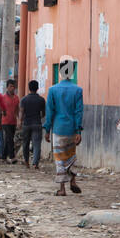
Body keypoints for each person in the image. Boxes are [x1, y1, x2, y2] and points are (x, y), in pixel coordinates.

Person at [43, 63, 85, 196]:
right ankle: (73, 180)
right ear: (71, 73)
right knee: (70, 156)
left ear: (60, 72)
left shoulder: (53, 90)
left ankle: (62, 188)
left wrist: (47, 129)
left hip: (58, 128)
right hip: (72, 128)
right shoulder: (78, 90)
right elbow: (79, 111)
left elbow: (50, 112)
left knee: (60, 158)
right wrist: (78, 131)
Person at [18, 80, 46, 169]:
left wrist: (20, 122)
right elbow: (43, 113)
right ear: (37, 88)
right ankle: (35, 163)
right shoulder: (41, 100)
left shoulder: (24, 100)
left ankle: (26, 162)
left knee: (25, 143)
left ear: (29, 88)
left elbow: (21, 113)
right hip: (37, 123)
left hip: (26, 124)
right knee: (37, 144)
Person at [0, 78, 20, 164]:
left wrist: (19, 120)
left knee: (8, 139)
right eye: (10, 86)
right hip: (5, 122)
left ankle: (3, 157)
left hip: (13, 122)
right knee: (10, 138)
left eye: (13, 86)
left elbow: (17, 110)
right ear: (7, 87)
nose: (12, 88)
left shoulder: (16, 98)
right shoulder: (3, 98)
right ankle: (12, 156)